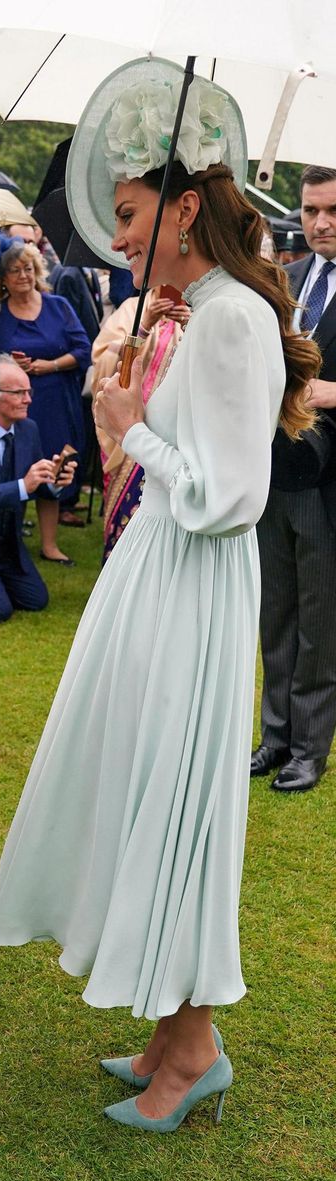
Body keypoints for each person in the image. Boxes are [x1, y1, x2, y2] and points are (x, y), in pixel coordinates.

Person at [0, 63, 318, 1132]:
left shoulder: (229, 318)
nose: (114, 238)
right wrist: (140, 395)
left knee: (174, 807)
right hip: (163, 576)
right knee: (144, 794)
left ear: (183, 209)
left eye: (127, 218)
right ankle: (178, 1037)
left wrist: (134, 431)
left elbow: (230, 495)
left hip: (194, 581)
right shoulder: (203, 307)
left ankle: (196, 1053)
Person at [252, 164, 336, 792]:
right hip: (275, 466)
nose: (319, 223)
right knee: (274, 610)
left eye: (331, 211)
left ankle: (310, 746)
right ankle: (275, 736)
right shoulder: (294, 278)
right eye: (310, 210)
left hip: (328, 481)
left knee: (319, 616)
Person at [0, 241, 92, 564]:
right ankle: (6, 538)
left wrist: (50, 365)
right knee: (14, 467)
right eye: (15, 271)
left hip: (55, 398)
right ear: (3, 279)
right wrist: (8, 364)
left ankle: (49, 543)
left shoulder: (58, 306)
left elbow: (83, 348)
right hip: (10, 406)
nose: (23, 276)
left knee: (53, 464)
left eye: (28, 268)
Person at [0, 354, 76, 622]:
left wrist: (55, 482)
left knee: (36, 600)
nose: (28, 399)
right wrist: (24, 485)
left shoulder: (28, 429)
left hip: (9, 547)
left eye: (28, 391)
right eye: (19, 392)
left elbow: (38, 489)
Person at [91, 288, 186, 560]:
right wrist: (144, 325)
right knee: (124, 517)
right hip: (127, 432)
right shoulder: (133, 307)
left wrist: (188, 325)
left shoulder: (197, 311)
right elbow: (103, 360)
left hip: (170, 437)